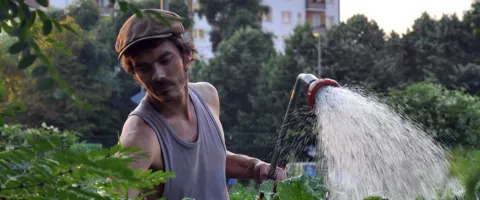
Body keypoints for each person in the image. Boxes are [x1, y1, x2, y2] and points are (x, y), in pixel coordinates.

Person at [115, 9, 287, 200]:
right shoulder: (140, 136)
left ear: (187, 54)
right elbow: (111, 194)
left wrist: (254, 167)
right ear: (135, 75)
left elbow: (208, 160)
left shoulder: (207, 96)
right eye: (143, 68)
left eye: (165, 60)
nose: (158, 75)